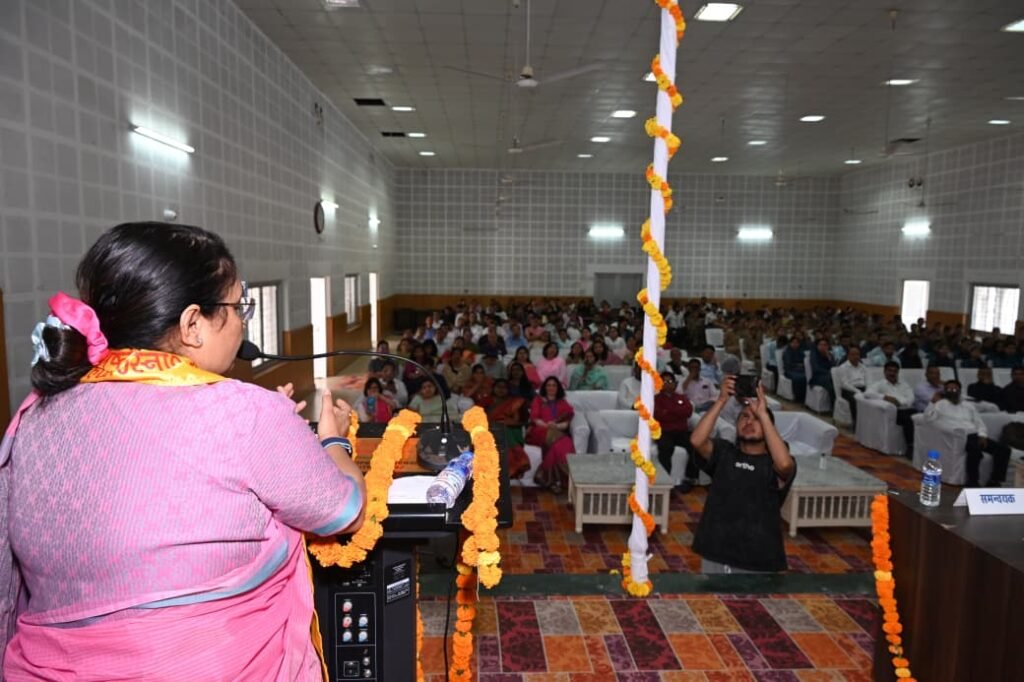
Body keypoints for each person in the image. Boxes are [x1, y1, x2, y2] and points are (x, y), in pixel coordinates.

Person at [0, 222, 366, 679]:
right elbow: (342, 510)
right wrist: (333, 441)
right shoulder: (245, 412)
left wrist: (270, 432)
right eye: (238, 307)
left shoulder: (35, 415)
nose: (242, 322)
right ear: (193, 324)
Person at [689, 377, 796, 573]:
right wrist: (721, 400)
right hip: (715, 551)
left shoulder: (773, 462)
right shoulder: (724, 452)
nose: (749, 422)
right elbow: (697, 441)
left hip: (759, 558)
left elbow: (784, 464)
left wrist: (763, 414)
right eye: (744, 417)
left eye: (757, 419)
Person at [921, 380, 1011, 488]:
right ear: (945, 391)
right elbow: (928, 418)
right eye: (949, 389)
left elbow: (979, 422)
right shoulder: (941, 404)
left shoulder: (968, 406)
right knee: (975, 451)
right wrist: (932, 402)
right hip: (960, 436)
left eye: (955, 389)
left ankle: (994, 480)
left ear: (959, 390)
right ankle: (973, 482)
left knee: (1004, 450)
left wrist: (982, 435)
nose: (952, 391)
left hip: (975, 435)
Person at [525, 377, 576, 493]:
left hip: (556, 431)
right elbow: (535, 419)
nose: (551, 388)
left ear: (558, 388)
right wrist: (547, 425)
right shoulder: (538, 400)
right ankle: (566, 479)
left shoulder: (562, 402)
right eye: (548, 385)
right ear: (544, 387)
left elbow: (566, 422)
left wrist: (556, 426)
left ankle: (549, 479)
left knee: (564, 444)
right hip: (539, 431)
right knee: (564, 441)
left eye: (554, 385)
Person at [654, 372, 697, 492]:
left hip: (681, 431)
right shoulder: (656, 399)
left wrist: (669, 412)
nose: (667, 384)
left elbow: (688, 411)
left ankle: (690, 479)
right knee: (666, 448)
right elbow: (658, 415)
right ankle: (665, 483)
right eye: (664, 382)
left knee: (695, 444)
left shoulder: (681, 398)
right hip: (664, 432)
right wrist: (677, 413)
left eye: (670, 381)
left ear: (675, 383)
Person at [864, 362, 916, 455]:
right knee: (908, 420)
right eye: (890, 371)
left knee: (921, 417)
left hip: (907, 408)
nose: (892, 373)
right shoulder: (880, 384)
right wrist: (885, 397)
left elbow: (911, 397)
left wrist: (901, 403)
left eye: (895, 371)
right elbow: (868, 393)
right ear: (885, 372)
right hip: (895, 411)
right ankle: (910, 446)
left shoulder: (903, 384)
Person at [836, 346, 868, 427]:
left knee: (873, 399)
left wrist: (867, 390)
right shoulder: (843, 367)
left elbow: (867, 380)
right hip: (848, 390)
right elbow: (844, 384)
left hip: (862, 388)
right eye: (853, 354)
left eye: (857, 354)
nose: (856, 356)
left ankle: (868, 422)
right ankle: (856, 424)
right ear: (848, 356)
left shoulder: (863, 367)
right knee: (855, 400)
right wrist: (857, 391)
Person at [809, 338, 836, 403]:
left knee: (837, 381)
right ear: (817, 346)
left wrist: (829, 358)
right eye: (821, 345)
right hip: (817, 377)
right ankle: (833, 404)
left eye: (825, 345)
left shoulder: (830, 354)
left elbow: (834, 367)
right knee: (832, 385)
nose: (823, 347)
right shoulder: (814, 355)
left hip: (829, 376)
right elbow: (816, 369)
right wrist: (829, 373)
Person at [782, 336, 807, 403]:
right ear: (790, 343)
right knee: (798, 378)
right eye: (793, 342)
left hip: (800, 370)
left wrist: (801, 365)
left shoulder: (800, 351)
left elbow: (804, 361)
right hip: (790, 370)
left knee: (805, 377)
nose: (795, 344)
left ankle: (804, 397)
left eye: (797, 343)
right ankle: (798, 397)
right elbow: (788, 363)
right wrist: (797, 365)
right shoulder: (787, 351)